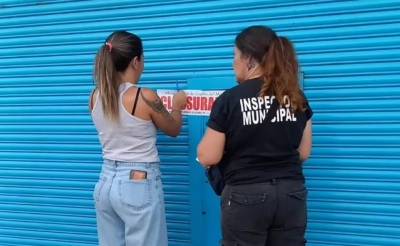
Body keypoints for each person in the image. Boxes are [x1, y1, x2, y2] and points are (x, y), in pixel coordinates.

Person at [197, 25, 313, 246]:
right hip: (291, 193)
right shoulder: (296, 96)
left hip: (245, 195)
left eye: (235, 56)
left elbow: (208, 157)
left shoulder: (230, 99)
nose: (233, 63)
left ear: (248, 58)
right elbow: (304, 151)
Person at [89, 30, 187, 246]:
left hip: (105, 182)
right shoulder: (145, 96)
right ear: (135, 61)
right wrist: (178, 106)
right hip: (137, 184)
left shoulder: (95, 96)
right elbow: (173, 129)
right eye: (143, 60)